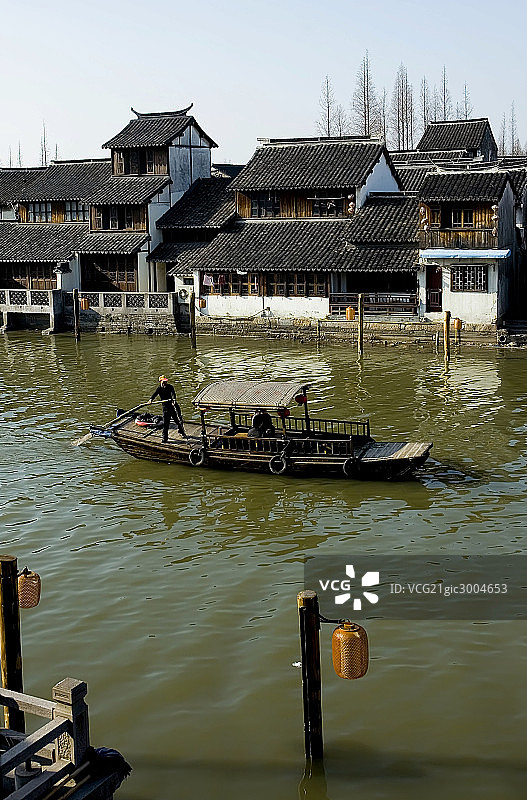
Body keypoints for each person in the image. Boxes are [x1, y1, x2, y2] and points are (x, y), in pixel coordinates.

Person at [149, 375, 186, 442]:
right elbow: (154, 394)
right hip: (165, 408)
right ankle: (165, 438)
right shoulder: (159, 389)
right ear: (160, 381)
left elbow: (173, 394)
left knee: (177, 421)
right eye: (163, 382)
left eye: (166, 381)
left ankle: (182, 432)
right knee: (166, 423)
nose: (165, 383)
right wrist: (151, 400)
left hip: (173, 406)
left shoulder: (170, 387)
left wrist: (174, 400)